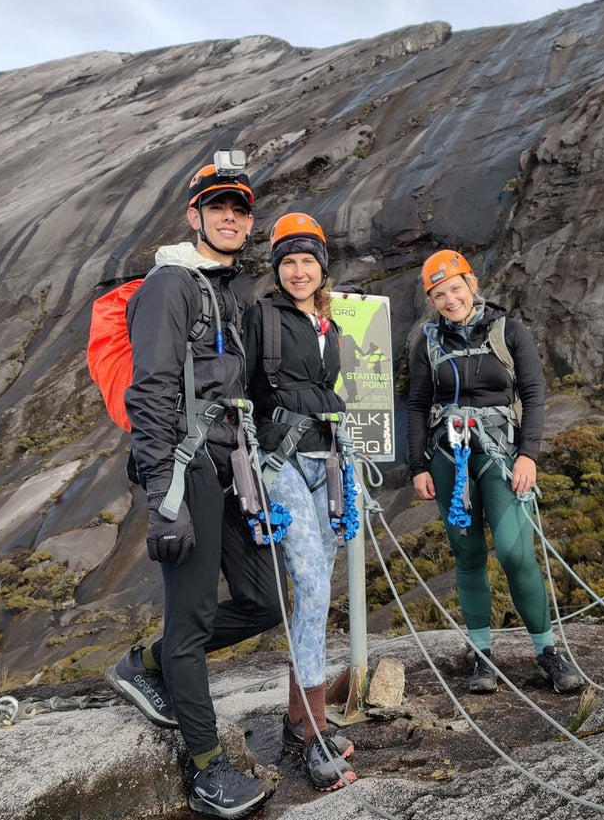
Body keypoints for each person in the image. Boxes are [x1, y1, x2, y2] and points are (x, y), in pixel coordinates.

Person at [105, 156, 284, 819]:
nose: (230, 216)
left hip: (232, 464)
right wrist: (162, 495)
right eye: (218, 206)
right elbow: (149, 388)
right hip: (186, 468)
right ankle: (208, 772)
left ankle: (145, 664)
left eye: (239, 207)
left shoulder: (233, 295)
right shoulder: (170, 286)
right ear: (195, 214)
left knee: (265, 604)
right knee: (193, 619)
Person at [406, 249, 583, 695]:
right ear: (432, 299)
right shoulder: (427, 341)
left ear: (471, 284)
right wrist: (417, 466)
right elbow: (416, 405)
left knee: (514, 552)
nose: (450, 300)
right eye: (439, 294)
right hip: (449, 459)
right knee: (468, 557)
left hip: (502, 455)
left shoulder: (509, 330)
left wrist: (530, 454)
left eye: (455, 289)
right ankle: (483, 656)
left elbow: (534, 393)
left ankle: (547, 651)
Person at [242, 212, 358, 791]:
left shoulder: (327, 326)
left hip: (326, 459)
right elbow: (240, 389)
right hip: (280, 460)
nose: (298, 270)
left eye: (308, 260)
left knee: (323, 581)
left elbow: (324, 390)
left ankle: (298, 721)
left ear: (322, 268)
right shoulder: (261, 316)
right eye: (288, 261)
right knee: (310, 583)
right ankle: (311, 733)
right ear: (277, 269)